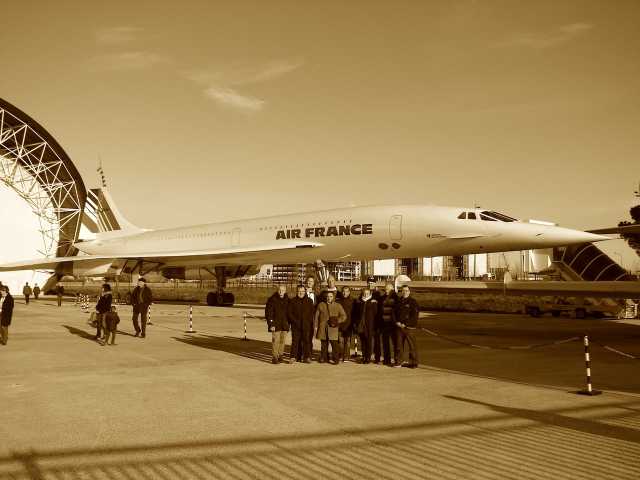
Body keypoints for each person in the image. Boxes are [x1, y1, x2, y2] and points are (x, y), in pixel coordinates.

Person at [314, 291, 346, 364]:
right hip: (323, 327)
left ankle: (336, 359)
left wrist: (337, 320)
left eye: (331, 296)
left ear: (333, 297)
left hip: (333, 328)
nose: (329, 298)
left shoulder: (338, 305)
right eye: (328, 296)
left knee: (334, 345)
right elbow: (316, 316)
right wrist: (316, 326)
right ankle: (324, 357)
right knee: (324, 344)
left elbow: (344, 316)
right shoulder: (321, 305)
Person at [287, 285, 315, 363]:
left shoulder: (309, 301)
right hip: (296, 325)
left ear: (305, 292)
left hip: (306, 325)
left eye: (302, 291)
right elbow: (289, 313)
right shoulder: (293, 301)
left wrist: (307, 321)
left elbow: (311, 312)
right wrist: (295, 321)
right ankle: (293, 357)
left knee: (306, 341)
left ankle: (307, 357)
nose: (301, 293)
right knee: (295, 341)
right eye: (299, 291)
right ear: (297, 292)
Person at [395, 285, 420, 368]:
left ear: (409, 292)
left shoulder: (413, 302)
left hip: (409, 328)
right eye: (403, 290)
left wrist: (406, 324)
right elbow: (394, 313)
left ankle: (413, 362)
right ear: (401, 292)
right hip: (399, 327)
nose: (405, 292)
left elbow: (414, 316)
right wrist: (396, 322)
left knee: (412, 346)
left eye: (406, 290)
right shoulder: (398, 301)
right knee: (399, 345)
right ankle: (399, 361)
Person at [265, 285, 289, 364]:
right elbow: (269, 313)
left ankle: (280, 355)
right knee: (276, 341)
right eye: (279, 290)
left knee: (282, 341)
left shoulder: (288, 300)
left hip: (285, 324)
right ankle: (274, 357)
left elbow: (290, 313)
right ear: (277, 290)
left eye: (282, 290)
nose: (281, 291)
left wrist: (289, 323)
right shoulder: (272, 300)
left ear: (285, 291)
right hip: (275, 325)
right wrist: (271, 324)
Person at [355, 288, 378, 364]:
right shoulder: (359, 301)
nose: (366, 294)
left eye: (367, 293)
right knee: (363, 341)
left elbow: (375, 314)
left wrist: (375, 326)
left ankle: (368, 357)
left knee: (369, 341)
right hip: (361, 324)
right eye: (364, 293)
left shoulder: (373, 302)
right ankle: (364, 356)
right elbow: (356, 314)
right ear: (362, 293)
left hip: (370, 325)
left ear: (370, 294)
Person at [379, 283, 399, 366]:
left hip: (393, 324)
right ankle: (387, 359)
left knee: (395, 343)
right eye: (385, 289)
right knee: (385, 342)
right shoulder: (383, 297)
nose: (386, 291)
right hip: (384, 323)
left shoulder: (396, 298)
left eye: (387, 289)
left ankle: (396, 359)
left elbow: (397, 311)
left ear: (392, 289)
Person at [337, 285, 355, 362]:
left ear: (349, 292)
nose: (345, 293)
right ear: (342, 292)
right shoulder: (338, 301)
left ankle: (347, 356)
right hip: (340, 324)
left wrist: (354, 324)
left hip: (349, 324)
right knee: (340, 341)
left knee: (347, 341)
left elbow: (355, 313)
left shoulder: (353, 301)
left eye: (346, 291)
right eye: (343, 291)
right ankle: (341, 355)